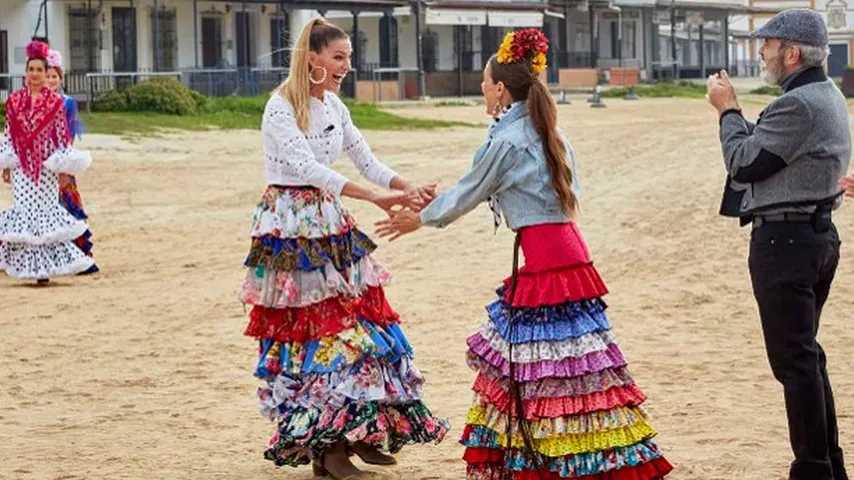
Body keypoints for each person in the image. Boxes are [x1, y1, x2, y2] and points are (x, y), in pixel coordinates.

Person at [377, 28, 672, 480]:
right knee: (570, 364)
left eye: (484, 82)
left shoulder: (508, 139)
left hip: (547, 260)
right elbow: (483, 188)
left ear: (500, 89)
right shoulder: (547, 129)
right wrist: (434, 204)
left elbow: (469, 192)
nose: (481, 88)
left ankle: (556, 463)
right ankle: (580, 457)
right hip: (567, 252)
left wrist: (418, 218)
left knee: (543, 365)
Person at [239, 18, 447, 479]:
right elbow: (308, 168)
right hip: (292, 228)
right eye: (338, 57)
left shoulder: (334, 105)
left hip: (330, 222)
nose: (346, 66)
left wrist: (405, 187)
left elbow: (366, 159)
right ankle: (327, 450)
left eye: (348, 57)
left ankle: (353, 435)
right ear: (312, 58)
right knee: (316, 331)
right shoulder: (280, 108)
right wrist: (375, 197)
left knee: (357, 324)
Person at [706, 9, 849, 480]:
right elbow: (770, 154)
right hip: (814, 235)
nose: (762, 52)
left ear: (791, 53)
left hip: (786, 241)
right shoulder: (825, 95)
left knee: (795, 363)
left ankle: (813, 469)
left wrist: (727, 110)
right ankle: (827, 464)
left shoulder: (799, 104)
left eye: (767, 44)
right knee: (805, 355)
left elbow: (744, 163)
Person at [0, 40, 94, 283]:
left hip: (46, 168)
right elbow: (9, 134)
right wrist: (8, 166)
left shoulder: (56, 103)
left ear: (46, 72)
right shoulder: (14, 101)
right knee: (25, 214)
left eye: (40, 70)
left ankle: (44, 270)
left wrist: (63, 169)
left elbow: (62, 139)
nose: (35, 74)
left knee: (45, 215)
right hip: (21, 168)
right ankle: (29, 267)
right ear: (26, 72)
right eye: (31, 69)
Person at [45, 49, 98, 273]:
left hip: (61, 161)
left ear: (60, 78)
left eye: (54, 76)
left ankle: (75, 253)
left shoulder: (67, 103)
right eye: (47, 76)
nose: (50, 81)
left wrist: (64, 166)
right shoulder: (35, 102)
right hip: (40, 164)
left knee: (67, 204)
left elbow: (68, 136)